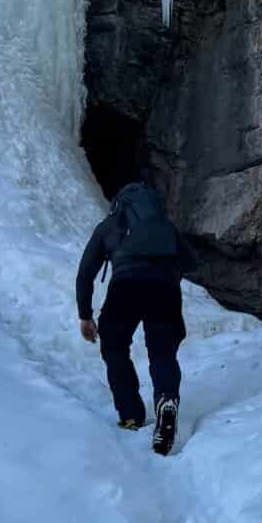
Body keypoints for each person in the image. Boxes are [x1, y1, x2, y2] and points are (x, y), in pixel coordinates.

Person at [76, 180, 187, 454]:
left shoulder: (109, 226)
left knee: (114, 348)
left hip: (124, 289)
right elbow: (189, 260)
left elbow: (85, 272)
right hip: (165, 289)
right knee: (162, 353)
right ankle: (166, 399)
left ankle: (130, 416)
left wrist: (85, 315)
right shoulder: (163, 226)